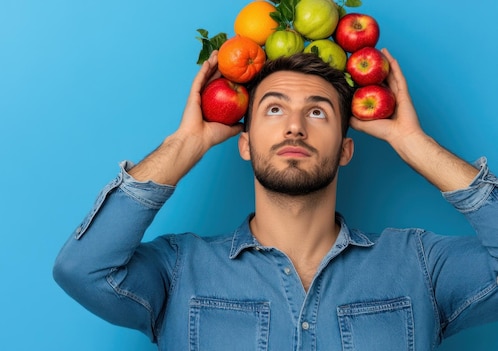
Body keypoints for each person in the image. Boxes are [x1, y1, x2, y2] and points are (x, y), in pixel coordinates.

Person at [52, 49, 498, 350]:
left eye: (318, 112)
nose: (295, 127)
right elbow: (82, 270)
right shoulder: (179, 270)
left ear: (346, 148)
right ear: (244, 144)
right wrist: (187, 142)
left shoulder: (420, 265)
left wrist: (412, 142)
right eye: (274, 108)